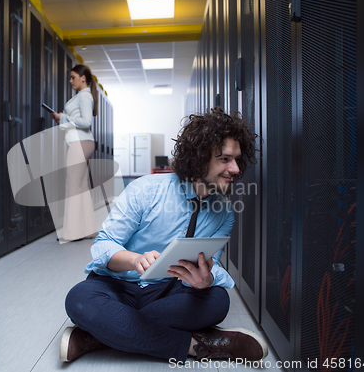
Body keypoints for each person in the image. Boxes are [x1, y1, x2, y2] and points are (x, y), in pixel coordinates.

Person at [60, 107, 267, 364]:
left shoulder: (225, 213)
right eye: (225, 159)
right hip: (119, 286)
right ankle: (197, 345)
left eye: (237, 159)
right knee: (80, 300)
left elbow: (211, 264)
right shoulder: (145, 190)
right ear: (200, 157)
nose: (235, 168)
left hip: (170, 291)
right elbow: (104, 245)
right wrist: (135, 260)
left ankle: (99, 335)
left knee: (217, 300)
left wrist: (204, 280)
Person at [51, 64, 98, 242]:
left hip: (79, 143)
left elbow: (86, 122)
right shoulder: (82, 96)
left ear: (83, 77)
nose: (71, 81)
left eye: (73, 77)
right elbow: (78, 121)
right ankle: (88, 229)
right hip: (83, 142)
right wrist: (61, 119)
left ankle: (72, 233)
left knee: (72, 186)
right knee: (81, 186)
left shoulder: (84, 96)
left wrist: (63, 116)